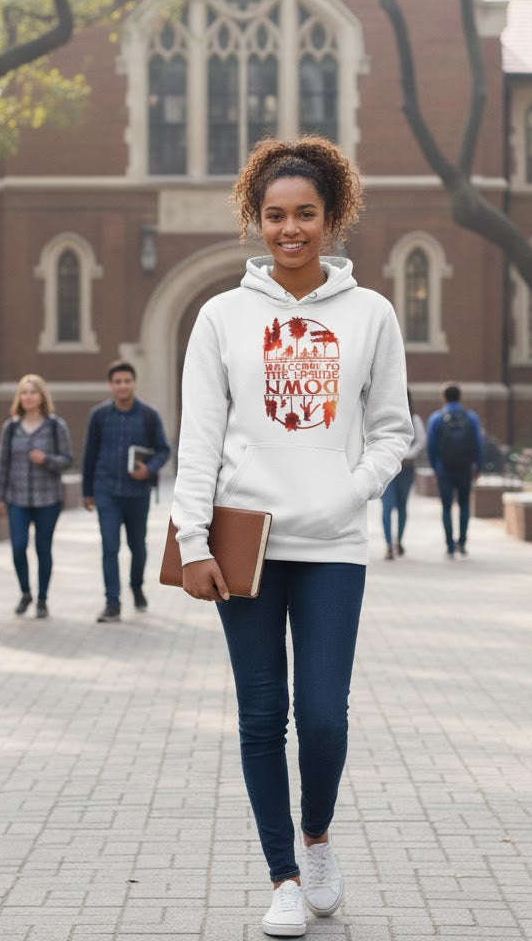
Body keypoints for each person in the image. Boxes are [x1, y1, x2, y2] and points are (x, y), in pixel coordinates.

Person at [171, 136, 412, 938]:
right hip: (247, 543)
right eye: (274, 215)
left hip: (334, 545)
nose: (290, 229)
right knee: (259, 714)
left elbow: (392, 431)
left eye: (306, 213)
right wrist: (191, 536)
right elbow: (199, 437)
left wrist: (347, 490)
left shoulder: (372, 315)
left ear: (333, 216)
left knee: (324, 716)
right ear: (255, 218)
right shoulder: (222, 316)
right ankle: (281, 874)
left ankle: (319, 840)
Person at [82, 361, 170, 622]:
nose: (122, 385)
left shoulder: (148, 415)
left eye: (127, 381)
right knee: (110, 547)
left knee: (137, 547)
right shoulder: (98, 416)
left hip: (137, 492)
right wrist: (87, 492)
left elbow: (164, 449)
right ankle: (112, 603)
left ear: (134, 383)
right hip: (106, 490)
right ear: (111, 385)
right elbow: (89, 455)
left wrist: (149, 469)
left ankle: (136, 585)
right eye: (117, 381)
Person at [0, 374, 73, 619]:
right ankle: (25, 592)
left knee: (43, 549)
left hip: (47, 499)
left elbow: (68, 460)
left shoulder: (55, 426)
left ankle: (42, 599)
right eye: (24, 392)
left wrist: (47, 459)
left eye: (33, 392)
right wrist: (0, 496)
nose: (28, 396)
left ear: (42, 396)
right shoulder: (11, 428)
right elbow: (3, 463)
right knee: (18, 547)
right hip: (17, 499)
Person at [426, 383, 483, 558]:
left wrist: (435, 469)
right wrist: (478, 467)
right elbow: (479, 444)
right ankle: (463, 542)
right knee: (464, 505)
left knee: (446, 507)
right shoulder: (471, 417)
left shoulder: (436, 418)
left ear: (444, 398)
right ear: (460, 397)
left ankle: (450, 546)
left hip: (444, 470)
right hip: (465, 468)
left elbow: (431, 447)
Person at [380, 390, 427, 559]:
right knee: (388, 507)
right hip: (388, 469)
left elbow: (421, 441)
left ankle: (398, 541)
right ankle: (389, 545)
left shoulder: (413, 418)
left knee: (401, 506)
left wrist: (405, 456)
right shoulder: (383, 415)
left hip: (405, 469)